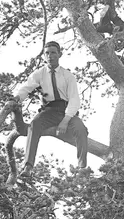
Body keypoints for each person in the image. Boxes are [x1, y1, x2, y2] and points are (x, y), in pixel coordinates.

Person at [10, 40, 89, 179]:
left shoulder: (68, 76)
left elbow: (74, 100)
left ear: (59, 54)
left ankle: (82, 167)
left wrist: (65, 121)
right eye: (47, 53)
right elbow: (26, 88)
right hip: (49, 110)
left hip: (66, 111)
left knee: (81, 129)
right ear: (44, 56)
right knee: (34, 125)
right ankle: (28, 166)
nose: (50, 56)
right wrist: (17, 98)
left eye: (53, 53)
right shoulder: (40, 73)